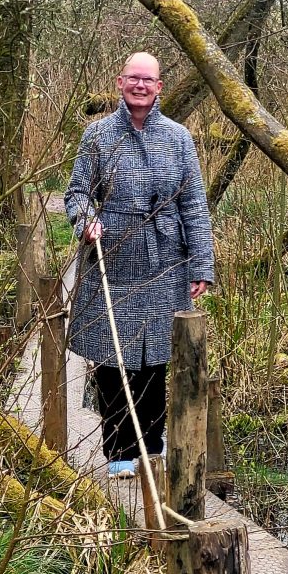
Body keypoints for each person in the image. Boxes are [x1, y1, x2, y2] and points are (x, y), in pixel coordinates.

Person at [65, 52, 214, 478]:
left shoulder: (179, 138)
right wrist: (85, 220)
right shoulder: (97, 136)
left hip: (166, 259)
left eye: (148, 80)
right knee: (112, 357)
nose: (140, 85)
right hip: (113, 255)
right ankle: (119, 452)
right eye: (134, 78)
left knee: (155, 356)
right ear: (120, 82)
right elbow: (76, 194)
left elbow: (194, 206)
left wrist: (201, 265)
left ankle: (151, 444)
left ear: (159, 87)